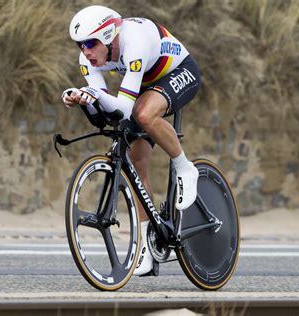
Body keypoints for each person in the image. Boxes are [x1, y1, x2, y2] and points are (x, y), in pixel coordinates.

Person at [62, 5, 200, 276]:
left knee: (144, 114)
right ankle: (147, 247)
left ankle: (185, 167)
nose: (86, 51)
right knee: (135, 164)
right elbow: (106, 116)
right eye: (80, 45)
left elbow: (125, 109)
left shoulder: (133, 41)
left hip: (179, 72)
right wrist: (82, 100)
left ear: (111, 35)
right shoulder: (87, 60)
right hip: (145, 83)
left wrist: (94, 95)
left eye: (91, 43)